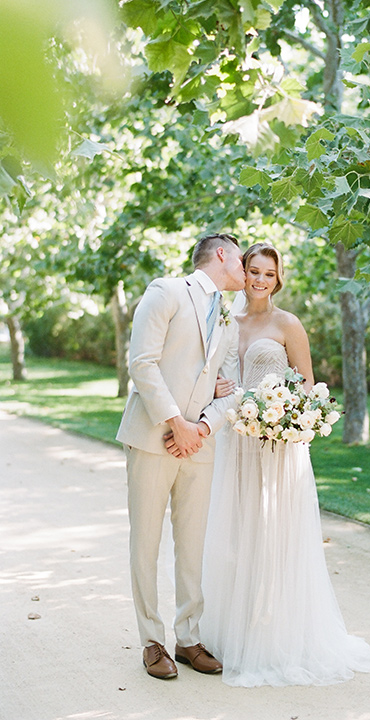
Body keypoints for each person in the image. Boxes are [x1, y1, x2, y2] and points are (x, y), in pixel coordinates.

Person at [200, 242, 370, 687]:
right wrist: (220, 385)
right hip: (233, 447)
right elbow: (209, 380)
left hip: (276, 449)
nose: (260, 280)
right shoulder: (225, 321)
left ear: (278, 278)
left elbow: (307, 389)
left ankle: (276, 638)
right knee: (234, 536)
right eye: (254, 271)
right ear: (243, 272)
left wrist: (278, 418)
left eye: (268, 274)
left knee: (274, 537)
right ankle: (234, 633)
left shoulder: (287, 323)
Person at [116, 233, 245, 680]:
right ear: (223, 254)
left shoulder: (229, 318)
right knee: (146, 542)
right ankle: (152, 642)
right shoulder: (167, 291)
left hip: (201, 445)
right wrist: (177, 423)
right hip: (154, 437)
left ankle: (188, 638)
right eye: (243, 259)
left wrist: (204, 426)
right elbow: (142, 363)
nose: (248, 271)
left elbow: (230, 386)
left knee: (193, 546)